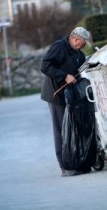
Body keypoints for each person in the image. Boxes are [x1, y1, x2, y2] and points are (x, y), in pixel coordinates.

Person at [40, 27, 91, 177]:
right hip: (55, 94)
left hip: (69, 95)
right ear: (75, 39)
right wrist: (64, 76)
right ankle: (65, 165)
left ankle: (77, 162)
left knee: (73, 128)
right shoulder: (59, 47)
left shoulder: (78, 54)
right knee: (61, 129)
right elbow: (45, 66)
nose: (83, 47)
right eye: (82, 43)